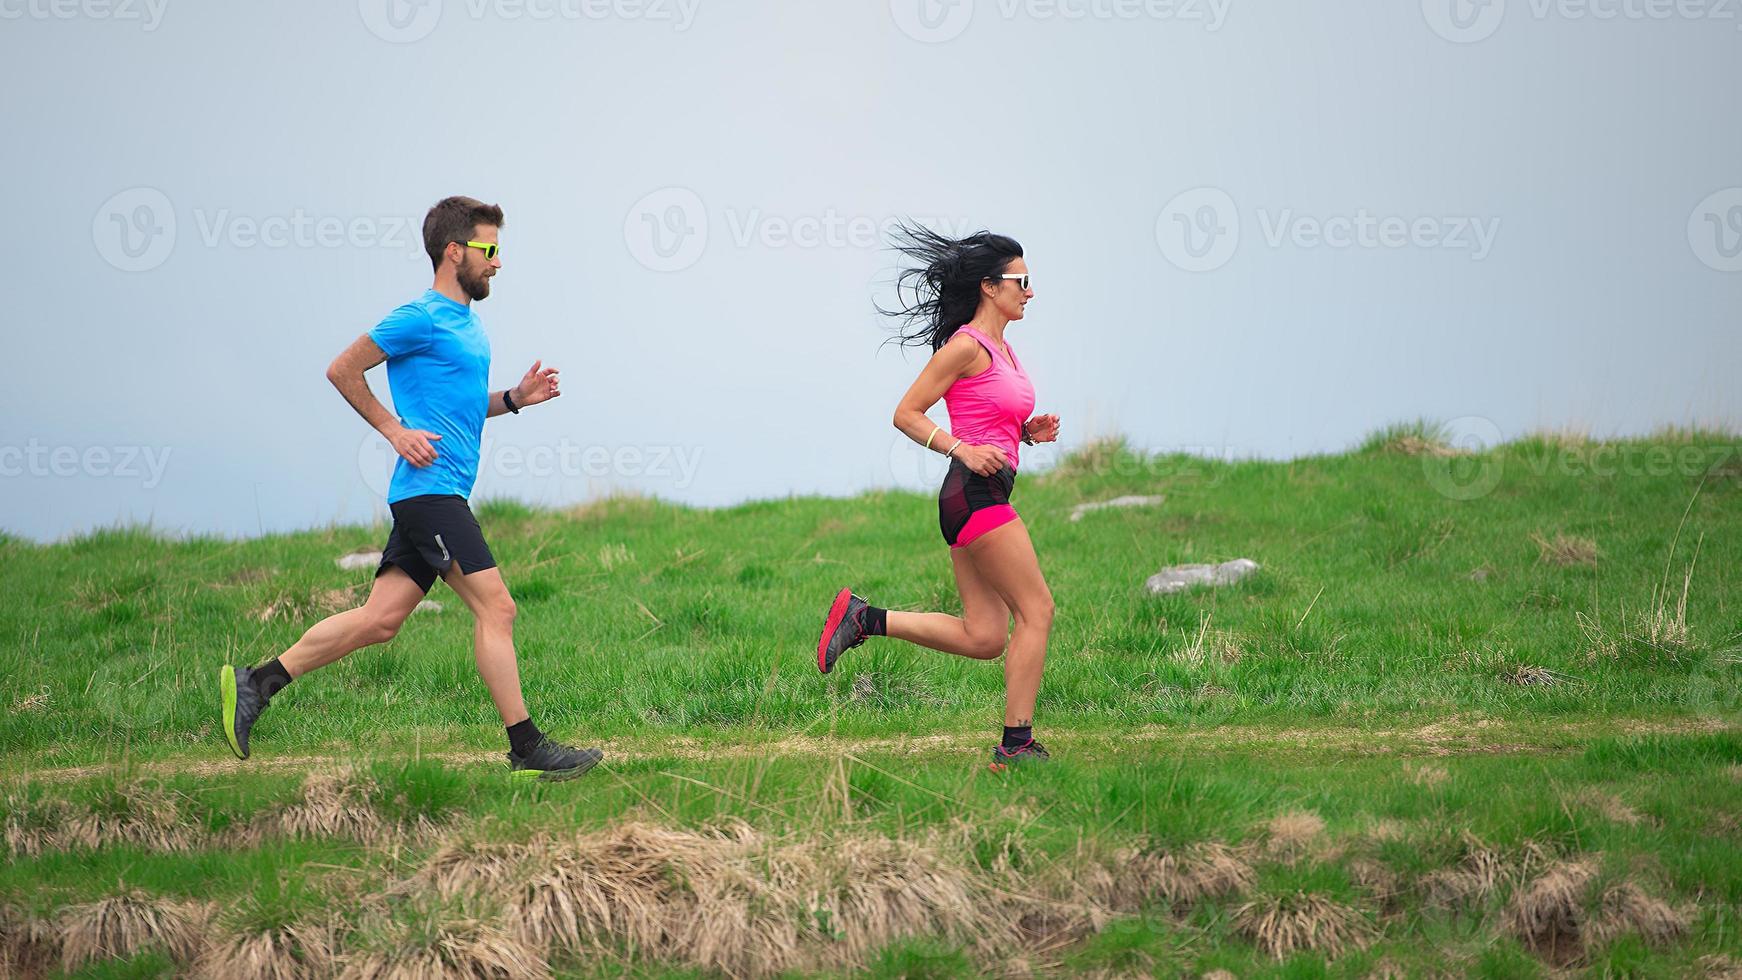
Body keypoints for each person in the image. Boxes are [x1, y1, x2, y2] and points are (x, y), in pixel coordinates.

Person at [218, 196, 602, 781]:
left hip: (434, 494)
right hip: (430, 495)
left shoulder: (468, 325)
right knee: (497, 608)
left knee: (380, 621)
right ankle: (526, 746)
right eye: (489, 249)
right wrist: (394, 431)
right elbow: (343, 368)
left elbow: (460, 409)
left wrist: (515, 401)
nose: (498, 262)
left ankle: (256, 682)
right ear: (455, 252)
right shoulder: (419, 317)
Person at [816, 224, 1061, 771]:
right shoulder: (965, 347)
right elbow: (905, 413)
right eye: (1022, 280)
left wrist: (1025, 433)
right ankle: (1016, 745)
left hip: (979, 493)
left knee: (985, 636)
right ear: (989, 286)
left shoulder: (1004, 349)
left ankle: (864, 619)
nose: (1030, 291)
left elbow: (986, 418)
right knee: (1037, 610)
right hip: (973, 495)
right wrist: (963, 450)